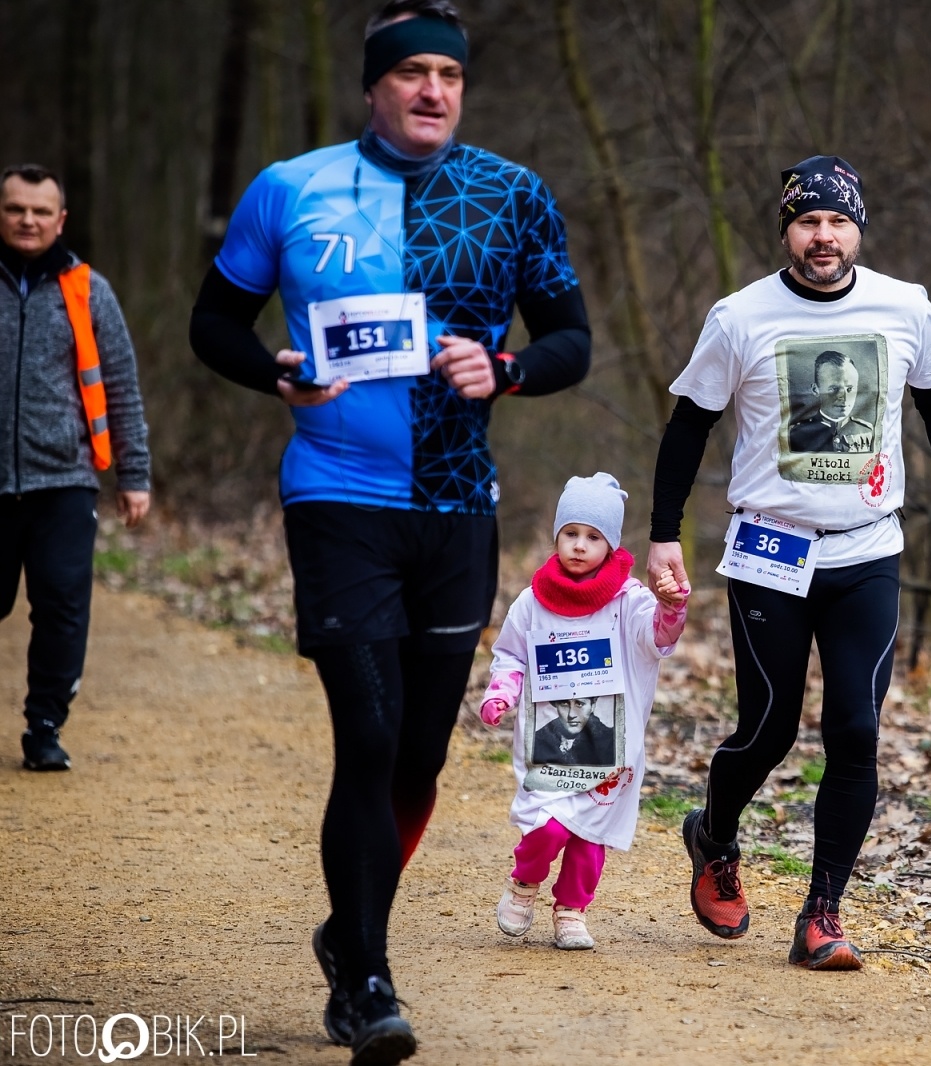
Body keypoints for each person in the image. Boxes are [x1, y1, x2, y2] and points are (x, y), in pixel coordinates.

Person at [186, 1, 590, 1061]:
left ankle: (345, 926)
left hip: (456, 510)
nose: (432, 91)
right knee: (366, 736)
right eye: (411, 73)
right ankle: (366, 979)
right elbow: (213, 321)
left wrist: (505, 367)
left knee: (417, 757)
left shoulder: (512, 194)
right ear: (373, 85)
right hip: (337, 496)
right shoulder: (292, 187)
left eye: (448, 76)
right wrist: (273, 371)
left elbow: (571, 341)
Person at [649, 154, 931, 970]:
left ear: (858, 227)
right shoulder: (739, 317)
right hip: (770, 550)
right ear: (786, 231)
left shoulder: (904, 307)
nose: (823, 236)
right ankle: (714, 835)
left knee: (856, 730)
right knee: (766, 731)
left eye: (837, 221)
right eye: (808, 221)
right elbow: (689, 425)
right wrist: (663, 533)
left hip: (867, 547)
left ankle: (822, 914)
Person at [479, 473, 688, 951]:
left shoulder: (629, 600)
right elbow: (511, 654)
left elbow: (656, 639)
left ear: (611, 544)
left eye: (593, 536)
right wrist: (501, 693)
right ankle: (524, 882)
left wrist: (671, 607)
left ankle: (572, 909)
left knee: (590, 837)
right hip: (551, 741)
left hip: (609, 742)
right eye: (571, 533)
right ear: (556, 535)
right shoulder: (532, 602)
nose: (579, 545)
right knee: (548, 828)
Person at [1, 163, 150, 773]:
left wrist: (134, 475)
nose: (27, 220)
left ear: (60, 220)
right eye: (15, 209)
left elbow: (121, 387)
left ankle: (44, 727)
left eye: (41, 211)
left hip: (64, 481)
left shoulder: (89, 291)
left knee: (62, 609)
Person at [787, 350, 875, 453]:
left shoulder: (867, 432)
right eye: (834, 389)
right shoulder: (797, 433)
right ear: (816, 390)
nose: (844, 397)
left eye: (850, 389)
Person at [531, 697, 617, 766]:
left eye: (579, 704)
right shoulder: (537, 741)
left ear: (593, 706)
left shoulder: (611, 742)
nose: (571, 715)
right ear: (556, 705)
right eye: (564, 703)